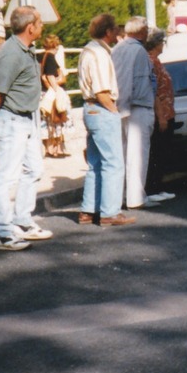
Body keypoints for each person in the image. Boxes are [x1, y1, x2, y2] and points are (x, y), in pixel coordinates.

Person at [0, 6, 51, 251]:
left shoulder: (26, 49)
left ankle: (22, 221)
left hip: (26, 118)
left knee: (34, 169)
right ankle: (4, 233)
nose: (42, 26)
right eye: (40, 22)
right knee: (5, 178)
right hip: (11, 120)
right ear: (31, 27)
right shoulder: (11, 53)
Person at [77, 13, 133, 227]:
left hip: (89, 109)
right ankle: (110, 212)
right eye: (115, 29)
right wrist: (114, 112)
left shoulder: (87, 50)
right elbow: (101, 91)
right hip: (101, 108)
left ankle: (88, 210)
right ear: (108, 32)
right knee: (114, 162)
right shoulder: (100, 54)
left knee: (95, 163)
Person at [112, 15, 156, 210]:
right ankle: (136, 197)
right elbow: (134, 80)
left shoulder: (117, 48)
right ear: (142, 31)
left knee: (122, 154)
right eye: (146, 30)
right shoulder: (139, 51)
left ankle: (121, 195)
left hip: (119, 106)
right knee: (137, 154)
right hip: (137, 105)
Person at [143, 29, 177, 202]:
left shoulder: (155, 61)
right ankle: (153, 188)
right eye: (162, 42)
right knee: (157, 151)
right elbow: (154, 90)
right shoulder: (151, 62)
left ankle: (158, 186)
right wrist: (161, 116)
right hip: (161, 113)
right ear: (156, 44)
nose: (163, 45)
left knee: (161, 152)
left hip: (166, 112)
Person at [38, 33, 70, 158]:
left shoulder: (42, 56)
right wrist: (57, 91)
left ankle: (49, 148)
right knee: (55, 118)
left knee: (46, 121)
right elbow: (50, 76)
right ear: (55, 45)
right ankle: (54, 149)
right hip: (51, 91)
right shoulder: (51, 57)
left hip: (43, 92)